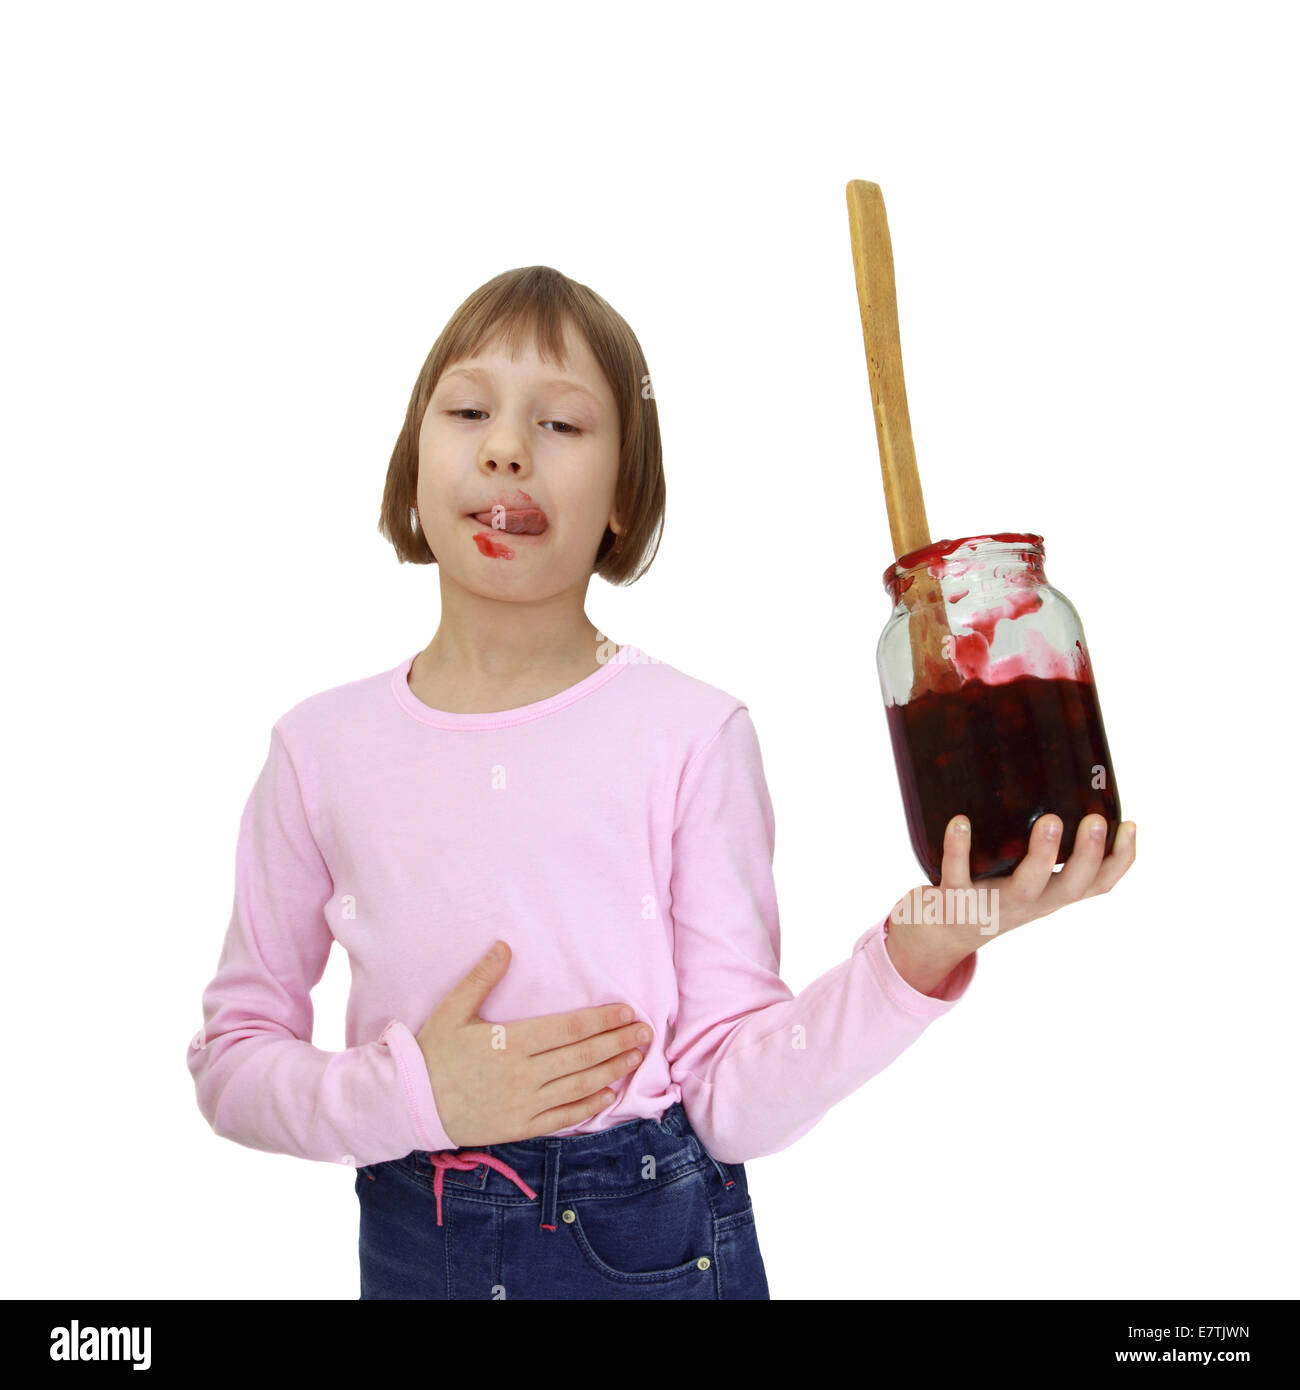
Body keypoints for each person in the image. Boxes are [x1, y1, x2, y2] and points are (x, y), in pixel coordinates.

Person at [186, 265, 1137, 1300]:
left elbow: (734, 1098)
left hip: (653, 1248)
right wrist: (415, 1097)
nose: (505, 444)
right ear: (412, 462)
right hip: (422, 1249)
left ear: (624, 500)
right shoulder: (320, 747)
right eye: (467, 410)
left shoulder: (691, 733)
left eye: (561, 424)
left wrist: (927, 943)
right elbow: (234, 1062)